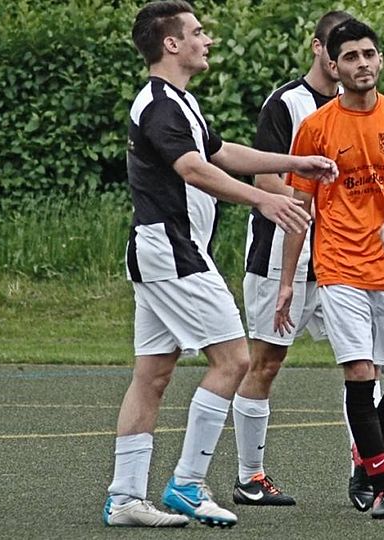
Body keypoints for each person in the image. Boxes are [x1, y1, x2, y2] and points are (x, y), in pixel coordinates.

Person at [103, 0, 337, 529]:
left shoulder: (178, 101)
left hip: (163, 253)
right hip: (174, 253)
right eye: (197, 32)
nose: (207, 40)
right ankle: (187, 483)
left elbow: (221, 153)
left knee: (152, 376)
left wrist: (295, 162)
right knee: (233, 360)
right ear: (171, 44)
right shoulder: (160, 105)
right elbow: (193, 169)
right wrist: (264, 199)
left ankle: (124, 499)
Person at [274, 18, 384, 520]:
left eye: (369, 54)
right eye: (350, 57)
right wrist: (288, 282)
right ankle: (382, 485)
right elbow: (299, 210)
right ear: (333, 65)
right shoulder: (316, 127)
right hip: (339, 266)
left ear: (380, 59)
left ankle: (364, 463)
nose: (362, 64)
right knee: (360, 371)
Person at [231, 9, 356, 508]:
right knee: (266, 362)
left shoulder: (361, 106)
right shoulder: (286, 103)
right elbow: (265, 181)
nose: (346, 60)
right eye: (336, 48)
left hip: (342, 258)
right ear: (318, 48)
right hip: (280, 254)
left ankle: (368, 474)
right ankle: (250, 477)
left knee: (362, 363)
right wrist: (322, 203)